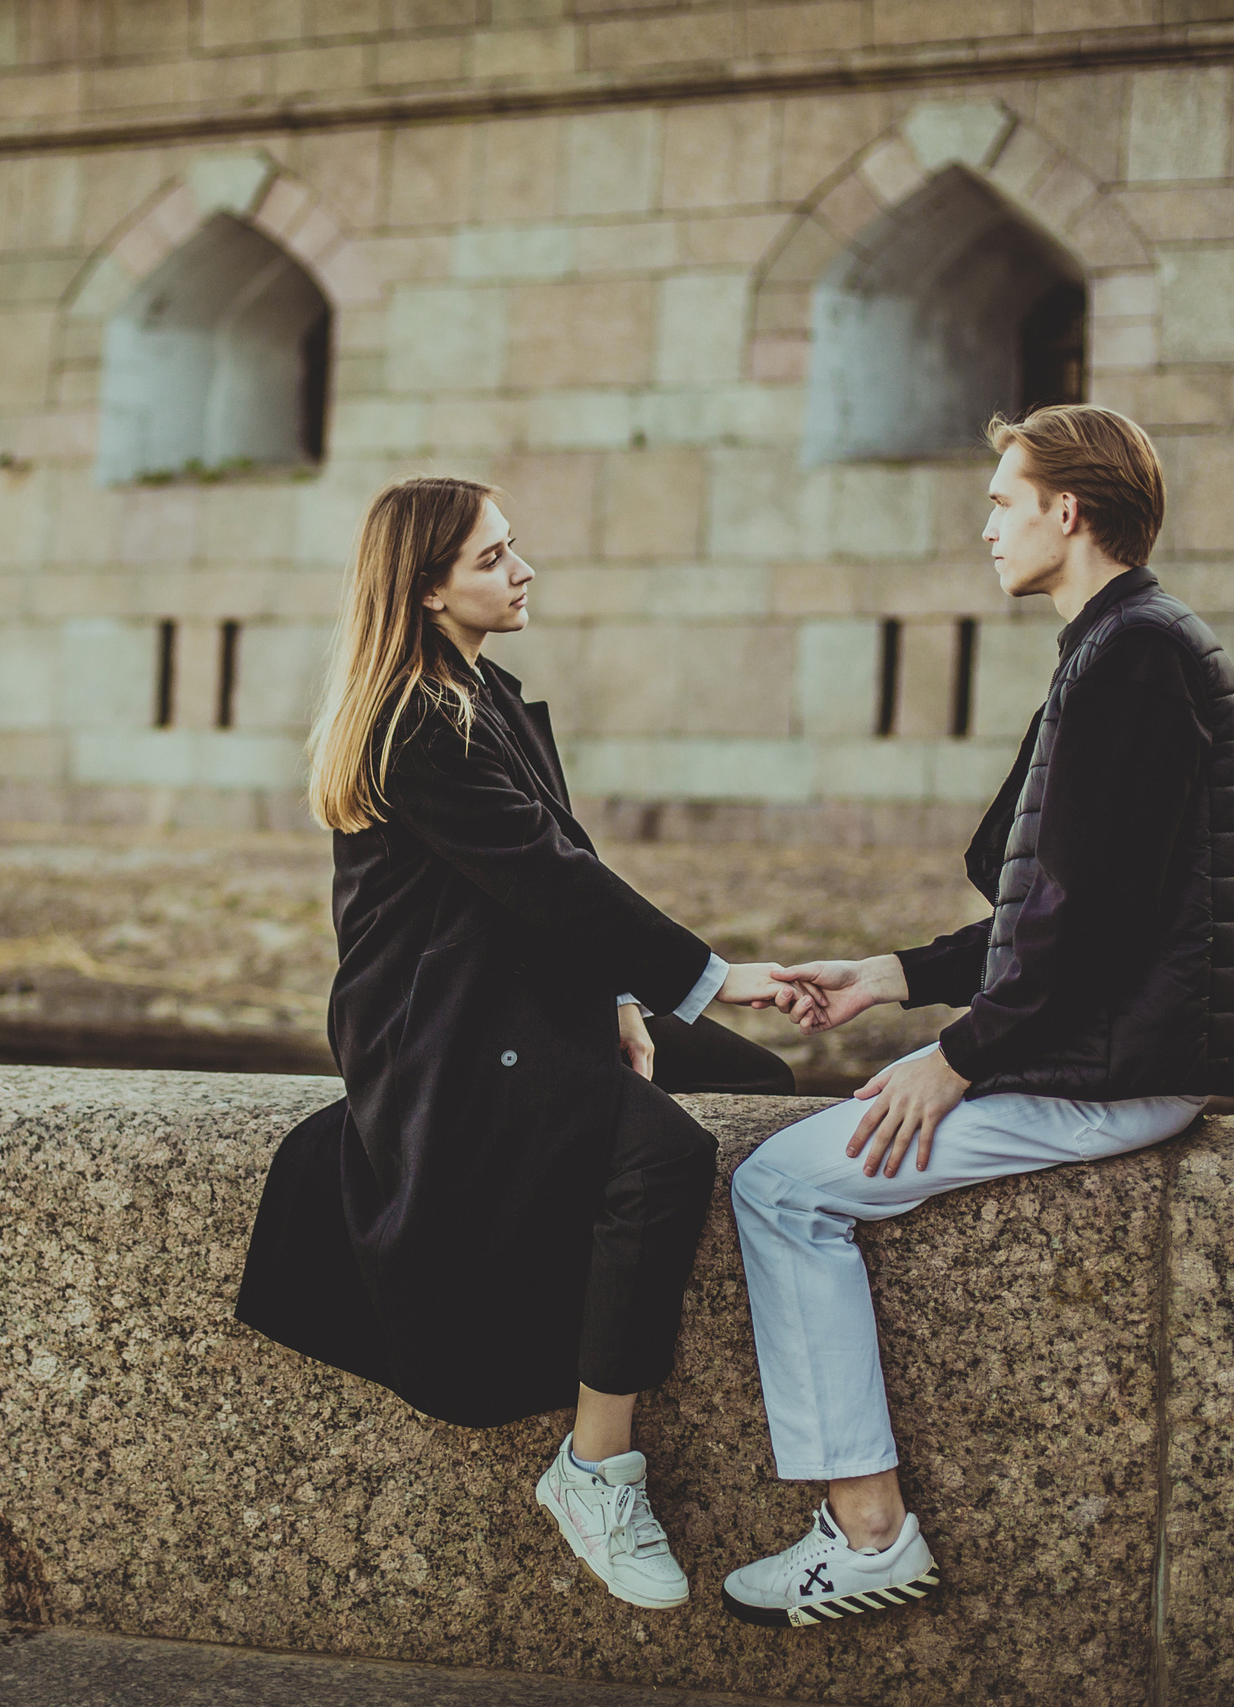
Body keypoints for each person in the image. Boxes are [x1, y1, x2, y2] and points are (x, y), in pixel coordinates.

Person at [720, 404, 1234, 1628]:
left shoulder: (1128, 654)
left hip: (1117, 1070)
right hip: (1125, 1049)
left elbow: (1091, 928)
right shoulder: (1130, 641)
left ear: (1064, 512)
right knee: (800, 1175)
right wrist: (892, 974)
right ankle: (858, 1526)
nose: (985, 526)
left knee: (782, 1188)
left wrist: (958, 1061)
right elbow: (1070, 906)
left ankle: (867, 1535)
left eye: (1000, 501)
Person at [236, 475, 794, 1613]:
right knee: (666, 1155)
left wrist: (626, 1006)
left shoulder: (479, 691)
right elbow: (549, 883)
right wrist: (711, 977)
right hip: (441, 1034)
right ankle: (594, 1468)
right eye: (494, 558)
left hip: (519, 1005)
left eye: (512, 549)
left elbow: (552, 886)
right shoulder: (414, 724)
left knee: (762, 1088)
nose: (521, 569)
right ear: (428, 587)